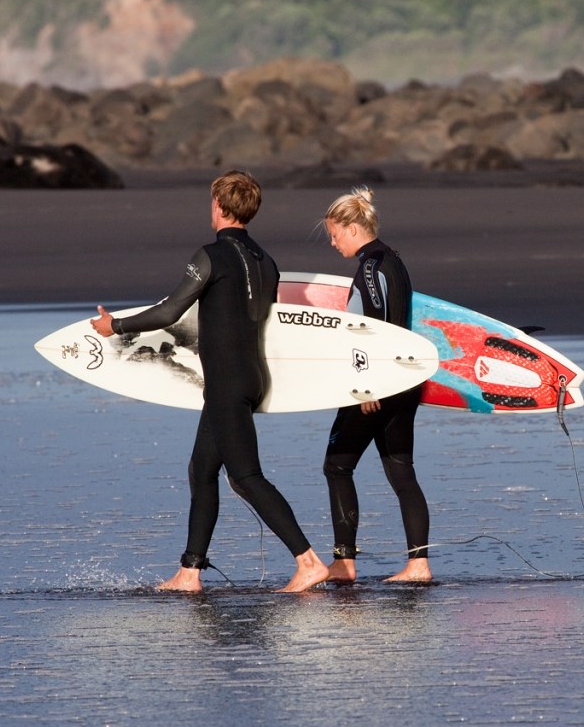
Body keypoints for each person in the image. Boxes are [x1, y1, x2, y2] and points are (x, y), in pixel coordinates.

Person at [91, 170, 328, 593]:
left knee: (245, 477)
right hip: (252, 377)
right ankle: (189, 572)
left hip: (226, 383)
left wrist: (117, 325)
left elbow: (170, 311)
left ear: (219, 205)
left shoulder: (210, 256)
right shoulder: (266, 261)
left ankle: (308, 561)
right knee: (202, 470)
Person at [320, 186, 433, 583]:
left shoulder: (370, 267)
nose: (333, 242)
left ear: (353, 227)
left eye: (335, 233)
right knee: (402, 472)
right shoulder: (393, 260)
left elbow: (375, 330)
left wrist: (370, 387)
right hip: (405, 382)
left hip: (377, 387)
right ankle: (418, 565)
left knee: (337, 466)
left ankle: (344, 563)